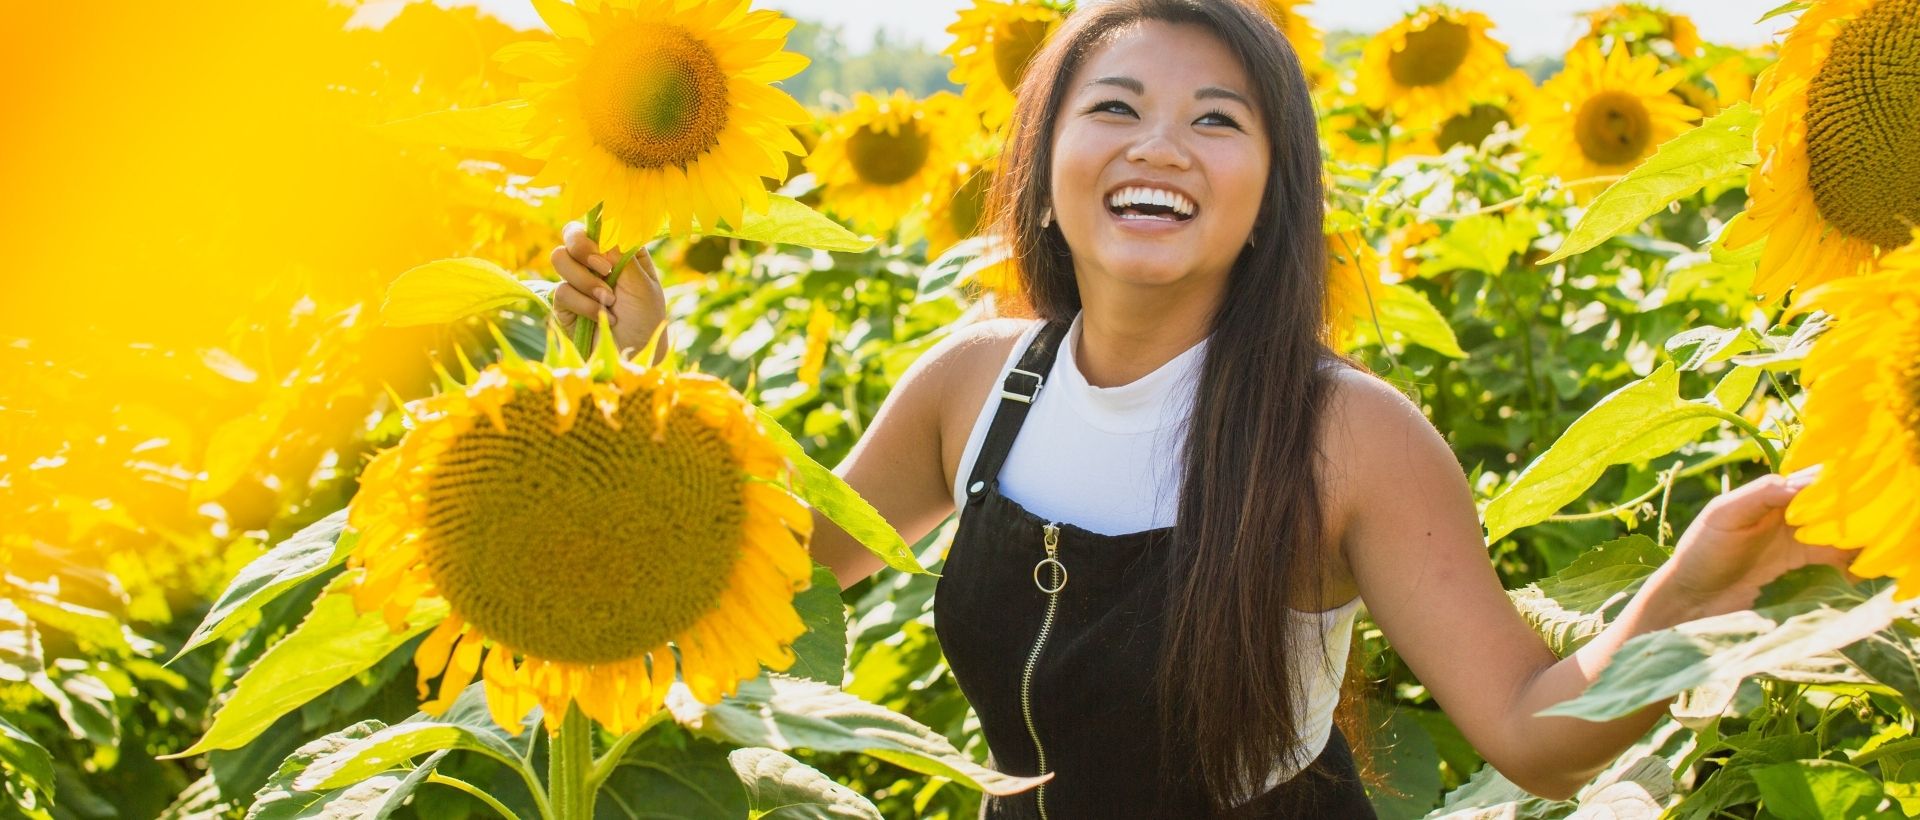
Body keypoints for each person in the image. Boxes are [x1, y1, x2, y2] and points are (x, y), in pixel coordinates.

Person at [548, 1, 1846, 816]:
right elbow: (764, 573)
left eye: (1216, 121)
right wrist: (638, 369)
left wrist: (1694, 585)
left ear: (1269, 199)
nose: (1159, 145)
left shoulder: (1344, 434)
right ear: (1042, 173)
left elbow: (1529, 733)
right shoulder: (972, 384)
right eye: (1113, 107)